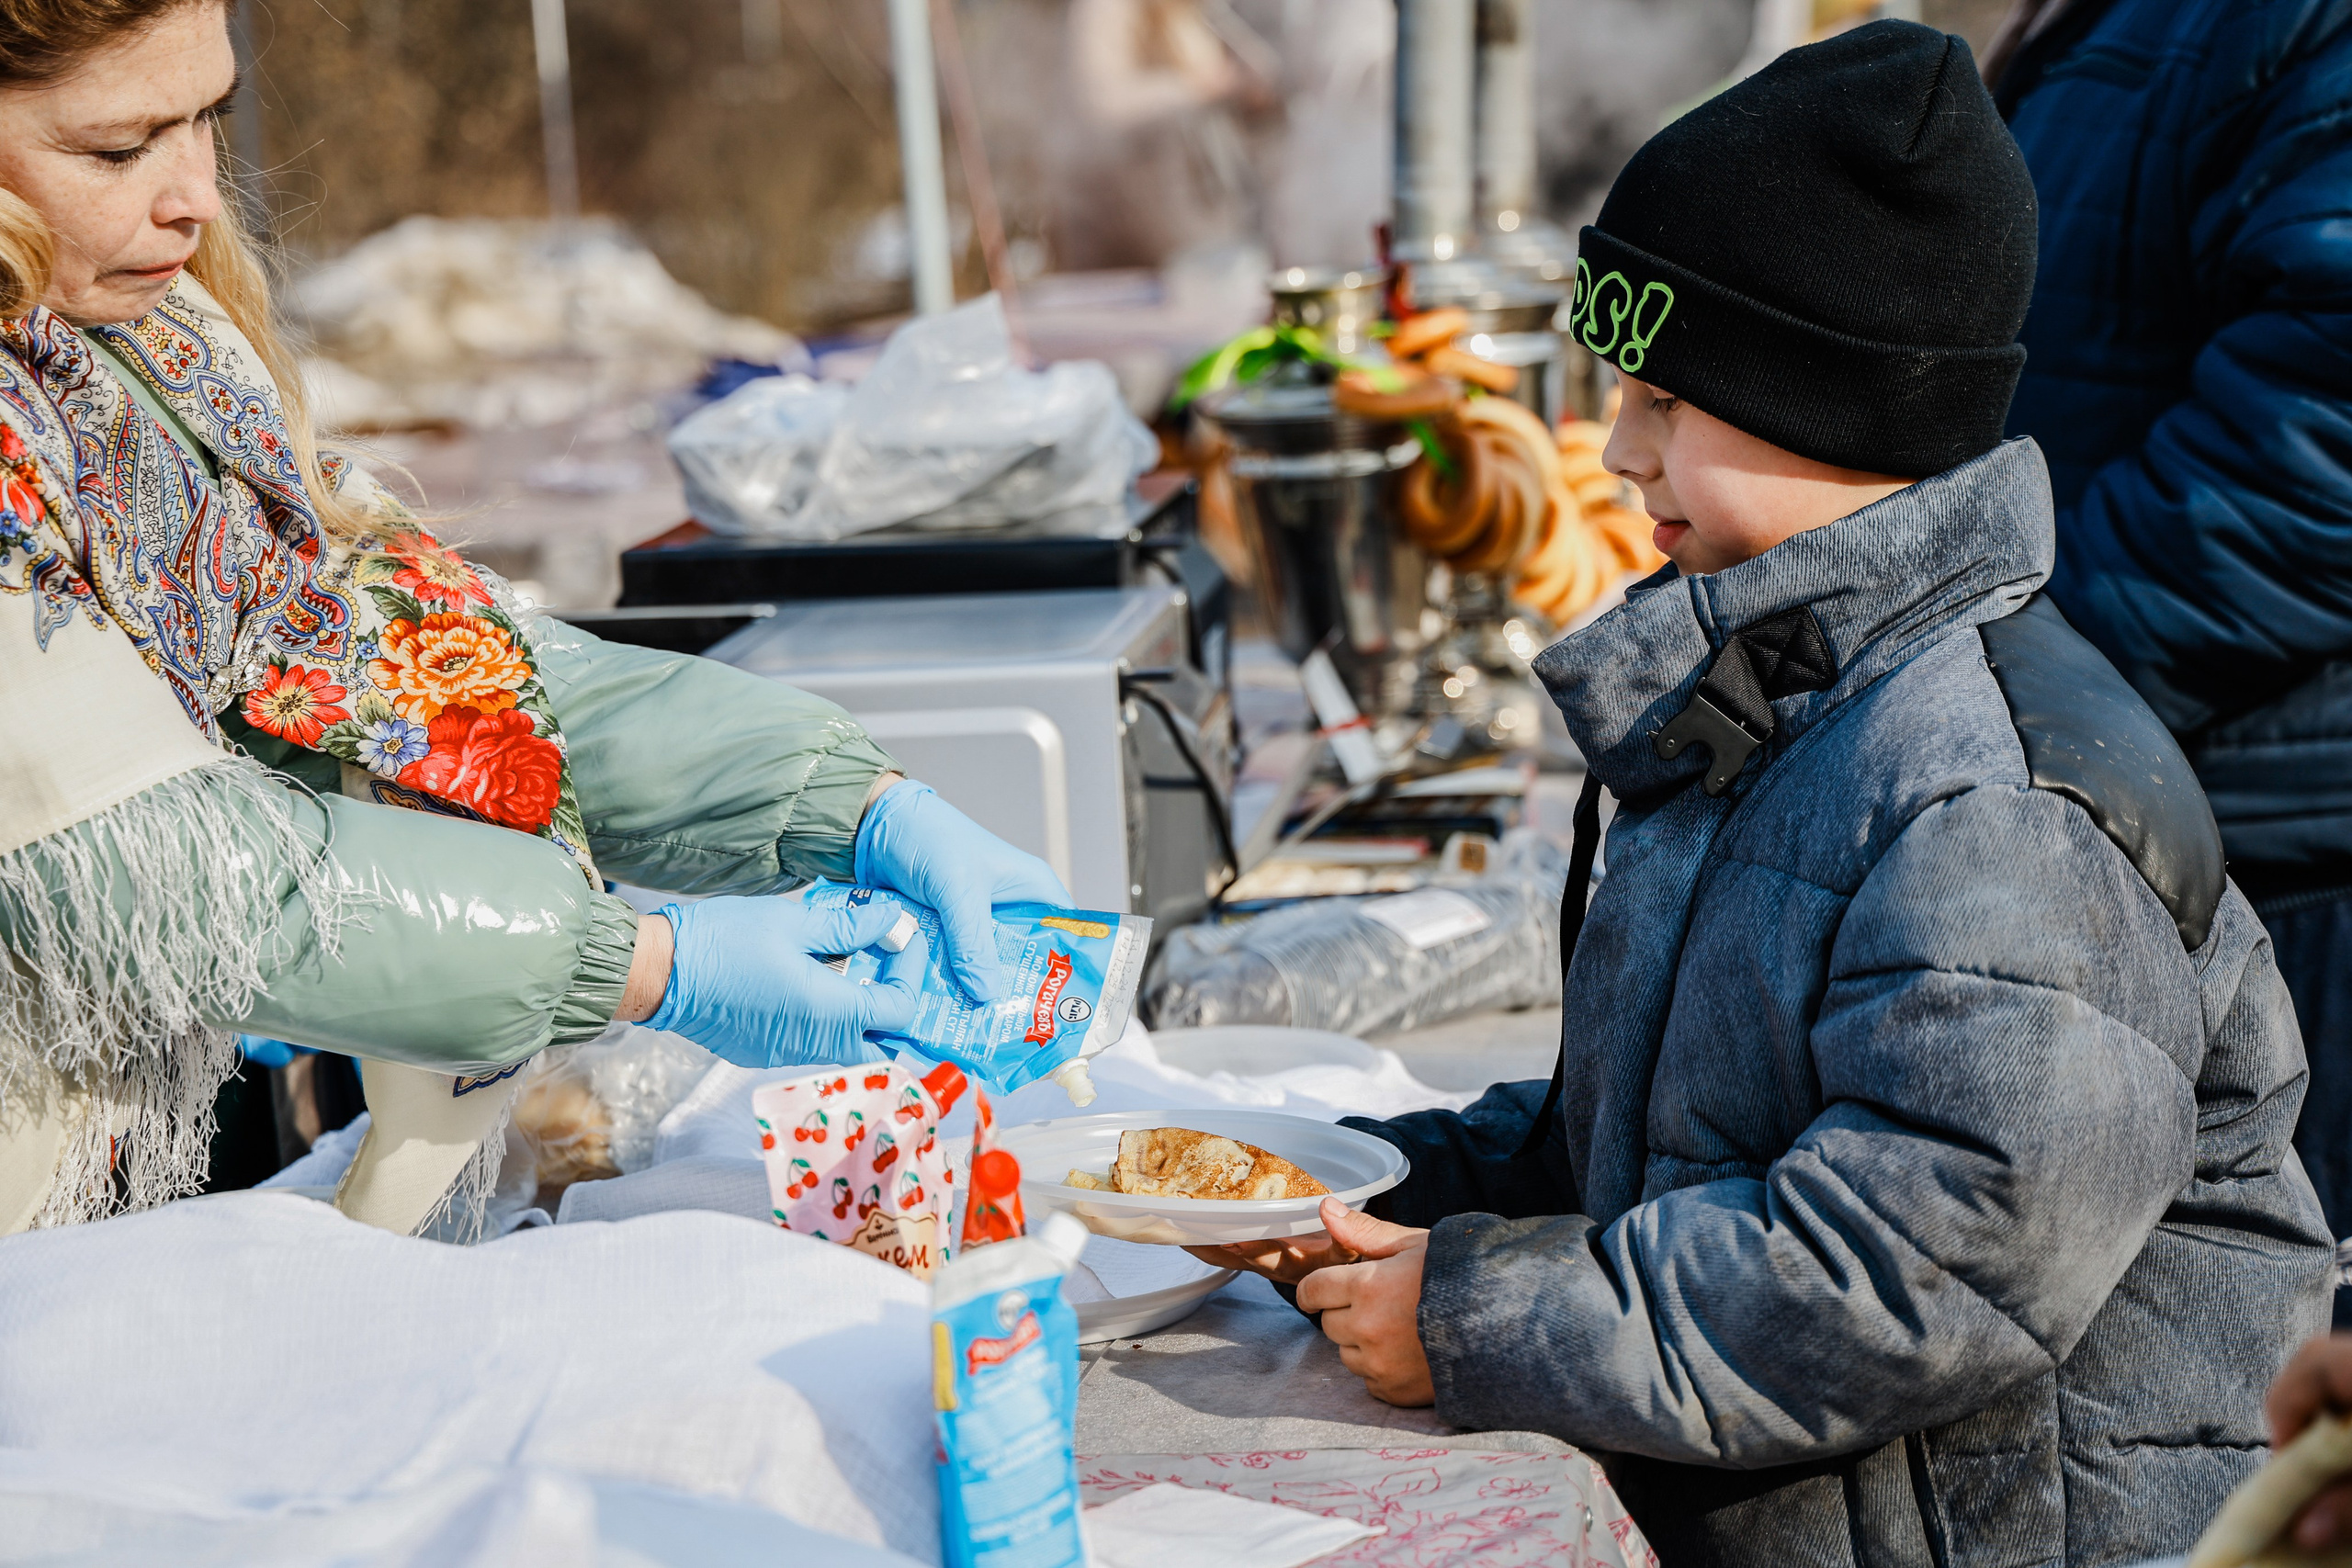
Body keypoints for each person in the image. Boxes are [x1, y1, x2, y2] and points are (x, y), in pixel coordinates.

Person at [1195, 23, 2335, 1567]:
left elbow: (1919, 1275)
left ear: (1837, 401)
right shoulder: (1784, 699)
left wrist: (1480, 1319)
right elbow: (1657, 1130)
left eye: (1668, 400)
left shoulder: (1997, 803)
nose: (1614, 451)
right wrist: (1364, 1185)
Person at [0, 0, 1063, 1236]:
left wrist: (840, 802)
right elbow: (163, 878)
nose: (195, 195)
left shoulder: (145, 355)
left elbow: (430, 673)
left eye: (207, 122)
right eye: (120, 149)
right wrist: (646, 965)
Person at [1984, 0, 2352, 1284]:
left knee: (2270, 1383)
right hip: (2144, 805)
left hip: (2279, 870)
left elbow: (2315, 458)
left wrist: (2008, 690)